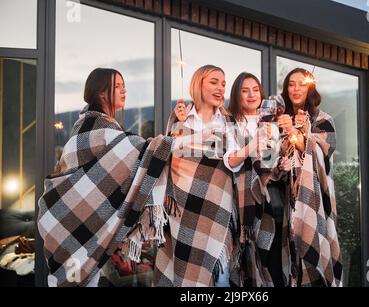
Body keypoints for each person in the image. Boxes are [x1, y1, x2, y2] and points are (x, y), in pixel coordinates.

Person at [37, 68, 177, 287]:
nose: (124, 91)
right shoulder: (96, 126)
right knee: (84, 278)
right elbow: (137, 152)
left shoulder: (95, 124)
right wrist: (166, 142)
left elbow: (127, 156)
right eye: (118, 86)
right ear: (102, 92)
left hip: (73, 213)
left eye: (124, 86)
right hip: (71, 213)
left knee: (86, 276)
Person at [152, 65, 245, 287]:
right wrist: (184, 128)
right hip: (181, 209)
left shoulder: (229, 122)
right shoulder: (180, 117)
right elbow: (169, 156)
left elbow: (236, 164)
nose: (220, 88)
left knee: (218, 277)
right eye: (214, 82)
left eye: (223, 83)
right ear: (198, 84)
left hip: (218, 207)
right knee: (183, 273)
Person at [226, 72, 292, 287]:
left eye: (255, 90)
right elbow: (230, 162)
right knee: (246, 264)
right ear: (237, 95)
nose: (251, 94)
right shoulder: (230, 124)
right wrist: (252, 144)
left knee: (272, 261)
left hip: (271, 201)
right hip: (241, 201)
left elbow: (270, 166)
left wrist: (281, 167)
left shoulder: (270, 125)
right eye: (245, 90)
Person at [279, 68, 342, 287]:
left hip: (315, 198)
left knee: (314, 252)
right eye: (291, 84)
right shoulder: (281, 120)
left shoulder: (324, 119)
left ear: (310, 88)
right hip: (285, 200)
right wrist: (285, 134)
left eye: (301, 84)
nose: (295, 89)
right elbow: (272, 155)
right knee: (289, 260)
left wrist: (303, 131)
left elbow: (325, 151)